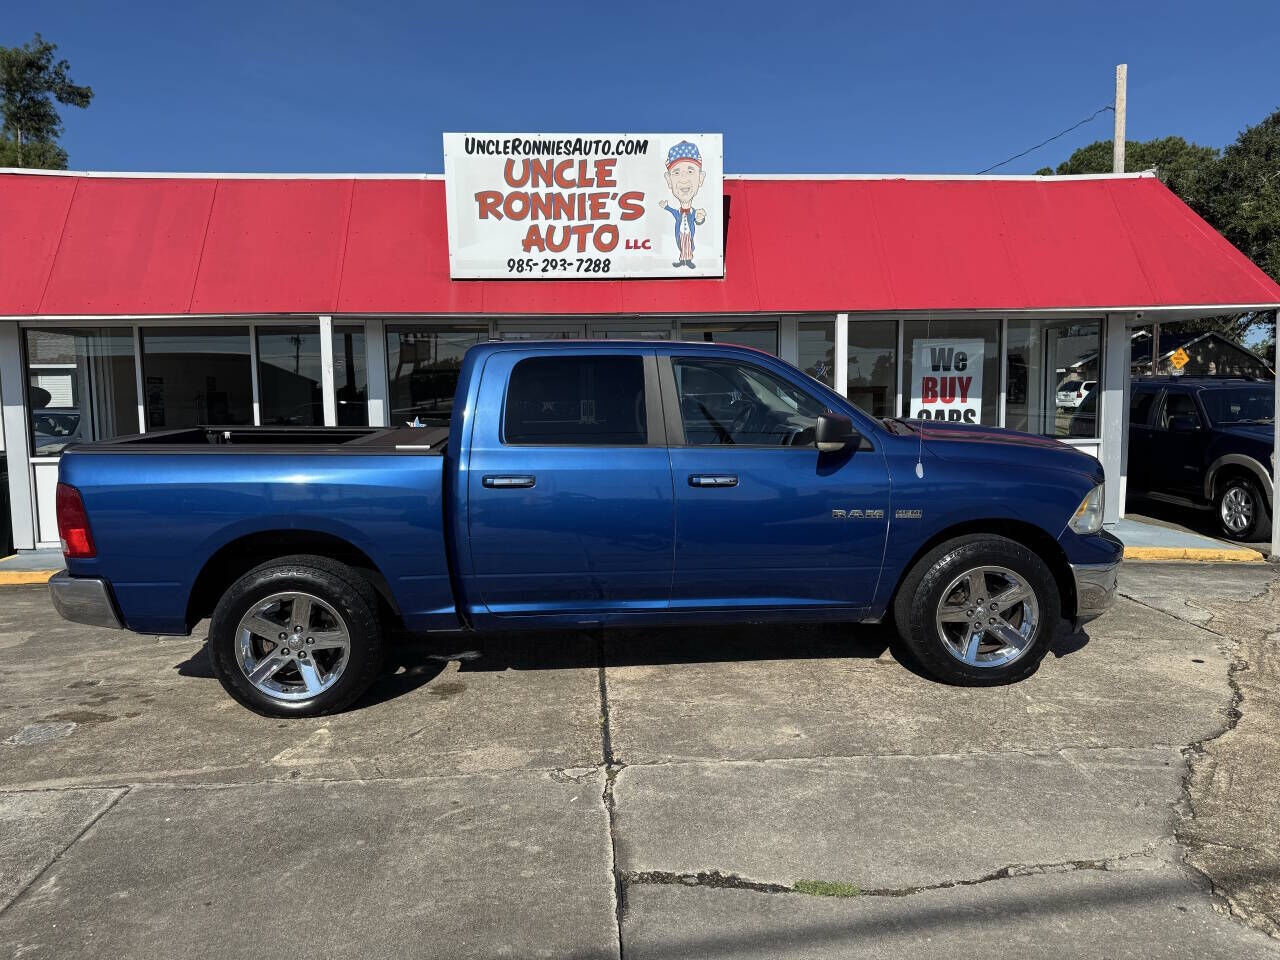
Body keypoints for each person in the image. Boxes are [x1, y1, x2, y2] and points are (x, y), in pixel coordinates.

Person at [657, 140, 707, 268]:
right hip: (681, 233)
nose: (683, 179)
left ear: (701, 178)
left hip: (688, 234)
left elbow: (698, 219)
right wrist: (665, 206)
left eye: (690, 171)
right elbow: (673, 211)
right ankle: (682, 260)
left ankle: (688, 261)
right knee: (682, 245)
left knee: (688, 245)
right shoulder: (678, 212)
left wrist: (701, 218)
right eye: (677, 173)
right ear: (669, 180)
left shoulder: (693, 211)